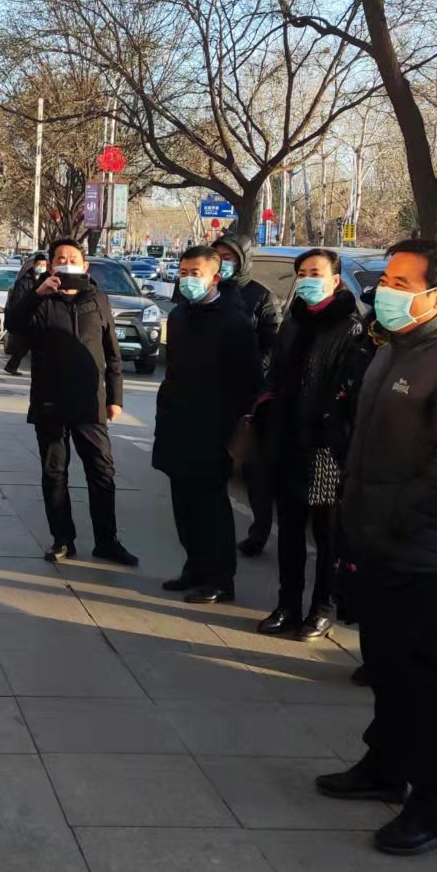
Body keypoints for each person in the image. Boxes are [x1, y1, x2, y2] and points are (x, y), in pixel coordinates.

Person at [315, 239, 437, 856]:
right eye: (385, 280)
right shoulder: (392, 348)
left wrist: (390, 519)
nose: (384, 293)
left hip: (424, 549)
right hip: (374, 538)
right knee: (386, 665)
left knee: (429, 680)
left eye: (400, 282)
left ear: (436, 295)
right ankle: (385, 766)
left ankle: (433, 808)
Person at [257, 248, 375, 638]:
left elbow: (348, 389)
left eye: (316, 273)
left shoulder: (351, 328)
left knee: (326, 536)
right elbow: (276, 372)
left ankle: (321, 607)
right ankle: (287, 604)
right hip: (287, 438)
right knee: (289, 530)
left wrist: (331, 427)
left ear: (335, 280)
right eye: (303, 272)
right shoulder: (293, 321)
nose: (308, 279)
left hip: (324, 446)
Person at [8, 239, 138, 565]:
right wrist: (38, 294)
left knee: (102, 472)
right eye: (60, 258)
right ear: (51, 265)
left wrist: (115, 397)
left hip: (90, 402)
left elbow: (112, 351)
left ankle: (107, 541)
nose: (67, 262)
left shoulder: (97, 299)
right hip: (49, 401)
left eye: (73, 258)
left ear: (85, 265)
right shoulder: (39, 299)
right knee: (54, 473)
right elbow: (13, 324)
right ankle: (62, 539)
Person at [153, 246, 262, 604]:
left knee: (211, 506)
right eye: (183, 272)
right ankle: (195, 567)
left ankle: (220, 578)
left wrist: (230, 429)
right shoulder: (180, 315)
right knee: (183, 502)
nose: (187, 279)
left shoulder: (235, 321)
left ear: (215, 277)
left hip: (214, 429)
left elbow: (249, 380)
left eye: (195, 273)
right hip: (178, 423)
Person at [212, 233, 283, 556]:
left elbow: (272, 346)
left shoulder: (261, 296)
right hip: (212, 393)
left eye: (229, 257)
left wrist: (250, 369)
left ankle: (259, 531)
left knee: (254, 469)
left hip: (249, 396)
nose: (222, 263)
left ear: (242, 260)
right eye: (218, 256)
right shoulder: (208, 291)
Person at [2, 251, 49, 374]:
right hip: (27, 316)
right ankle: (12, 366)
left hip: (40, 316)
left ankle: (12, 366)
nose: (41, 267)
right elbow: (17, 300)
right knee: (24, 343)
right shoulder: (24, 281)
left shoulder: (47, 280)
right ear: (34, 265)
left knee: (29, 344)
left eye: (44, 265)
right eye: (39, 265)